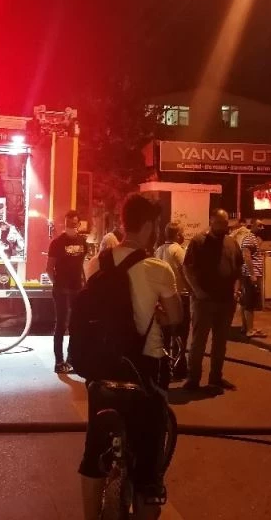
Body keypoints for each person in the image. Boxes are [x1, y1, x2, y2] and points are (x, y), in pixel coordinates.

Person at [79, 194, 183, 520]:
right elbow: (175, 317)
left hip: (100, 368)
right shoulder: (158, 269)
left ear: (123, 223)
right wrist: (156, 313)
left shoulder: (96, 264)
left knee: (94, 451)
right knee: (148, 460)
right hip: (144, 368)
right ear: (150, 226)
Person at [183, 208, 243, 392]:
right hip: (204, 301)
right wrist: (197, 291)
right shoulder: (198, 241)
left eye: (225, 223)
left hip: (226, 301)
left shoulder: (232, 243)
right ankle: (193, 379)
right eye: (219, 222)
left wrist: (236, 291)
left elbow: (238, 269)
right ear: (211, 221)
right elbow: (187, 268)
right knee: (199, 342)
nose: (223, 226)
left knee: (220, 342)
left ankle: (216, 377)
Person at [47, 209, 87, 373]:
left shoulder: (83, 242)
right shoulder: (57, 243)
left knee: (76, 325)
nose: (70, 226)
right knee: (61, 325)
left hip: (77, 289)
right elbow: (49, 268)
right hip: (62, 290)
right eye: (68, 223)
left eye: (73, 223)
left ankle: (71, 360)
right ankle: (59, 362)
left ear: (79, 224)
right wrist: (57, 284)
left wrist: (83, 284)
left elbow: (82, 265)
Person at [154, 222, 192, 381]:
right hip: (179, 296)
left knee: (165, 335)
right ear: (177, 235)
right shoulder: (178, 250)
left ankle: (164, 367)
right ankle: (179, 367)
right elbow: (185, 272)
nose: (183, 235)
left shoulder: (159, 250)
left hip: (162, 297)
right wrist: (192, 289)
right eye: (181, 233)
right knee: (181, 334)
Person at [240, 221, 267, 338]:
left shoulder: (254, 239)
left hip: (251, 274)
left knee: (246, 301)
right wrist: (252, 274)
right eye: (260, 225)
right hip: (250, 275)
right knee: (249, 302)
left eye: (263, 225)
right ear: (253, 226)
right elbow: (247, 257)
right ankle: (250, 329)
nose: (262, 227)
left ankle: (246, 326)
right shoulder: (249, 239)